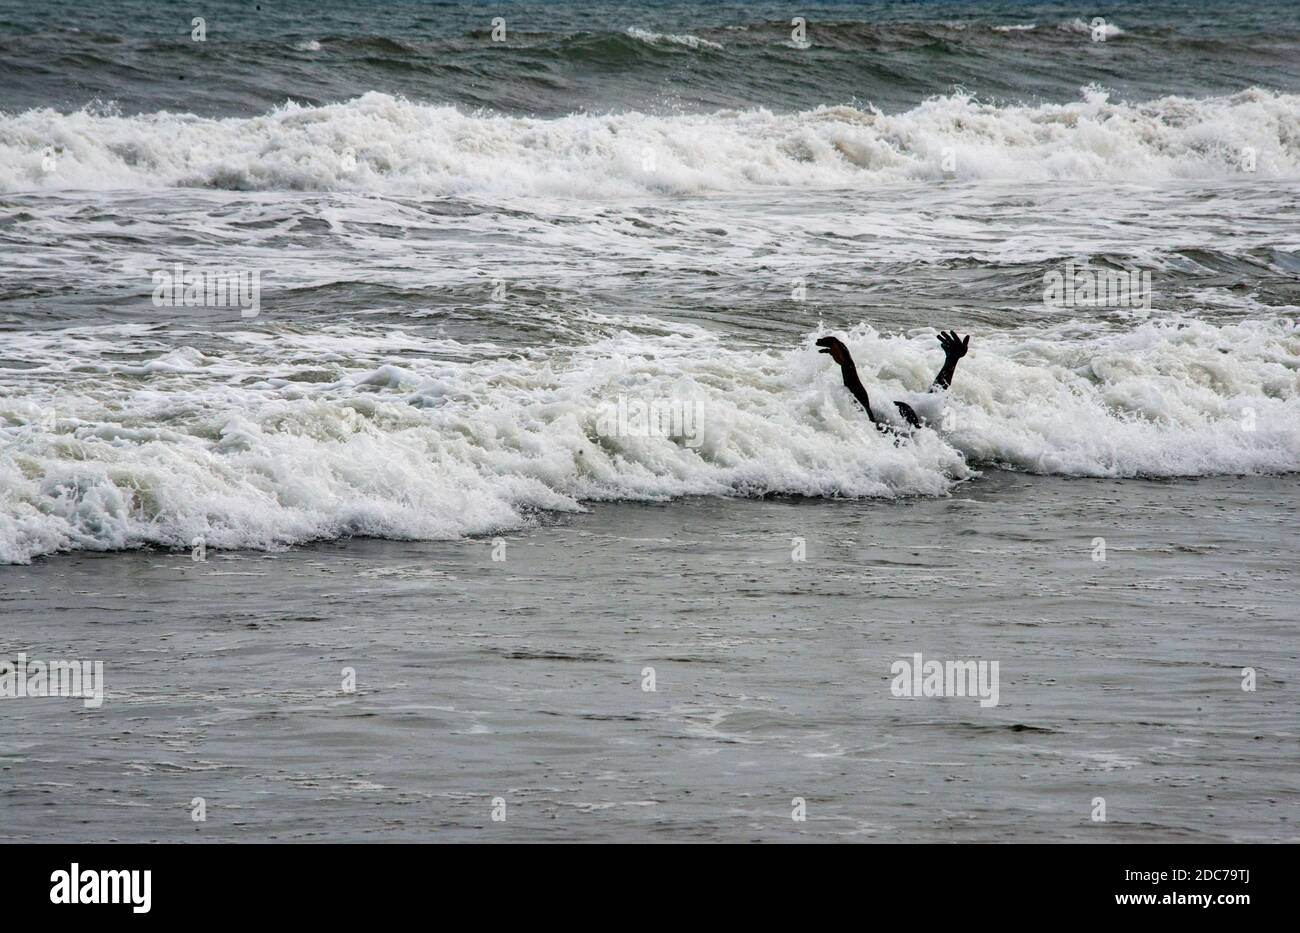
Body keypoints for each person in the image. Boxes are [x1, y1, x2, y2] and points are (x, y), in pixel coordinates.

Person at [815, 330, 969, 431]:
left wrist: (848, 365)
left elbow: (864, 408)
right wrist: (951, 360)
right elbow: (935, 398)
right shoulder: (924, 442)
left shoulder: (896, 450)